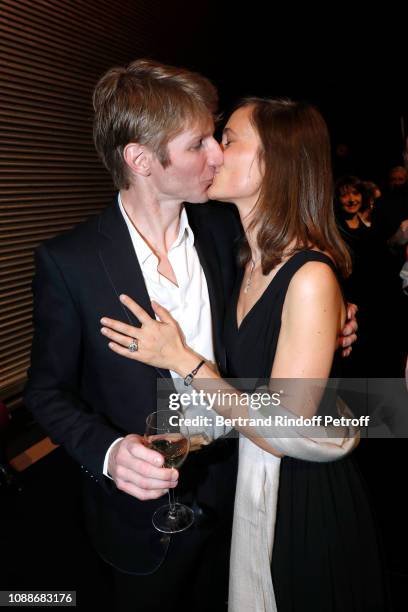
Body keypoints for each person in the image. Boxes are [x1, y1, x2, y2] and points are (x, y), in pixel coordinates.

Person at [24, 60, 357, 612]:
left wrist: (330, 320)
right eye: (199, 142)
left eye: (218, 136)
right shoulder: (71, 262)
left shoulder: (228, 231)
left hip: (247, 490)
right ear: (140, 160)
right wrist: (108, 452)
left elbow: (283, 305)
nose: (217, 155)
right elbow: (45, 391)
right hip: (141, 515)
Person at [100, 98, 391, 611]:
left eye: (227, 139)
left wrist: (185, 361)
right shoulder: (243, 262)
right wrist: (192, 436)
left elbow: (283, 427)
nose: (212, 151)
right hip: (254, 486)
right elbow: (253, 386)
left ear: (275, 163)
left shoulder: (309, 277)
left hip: (304, 498)